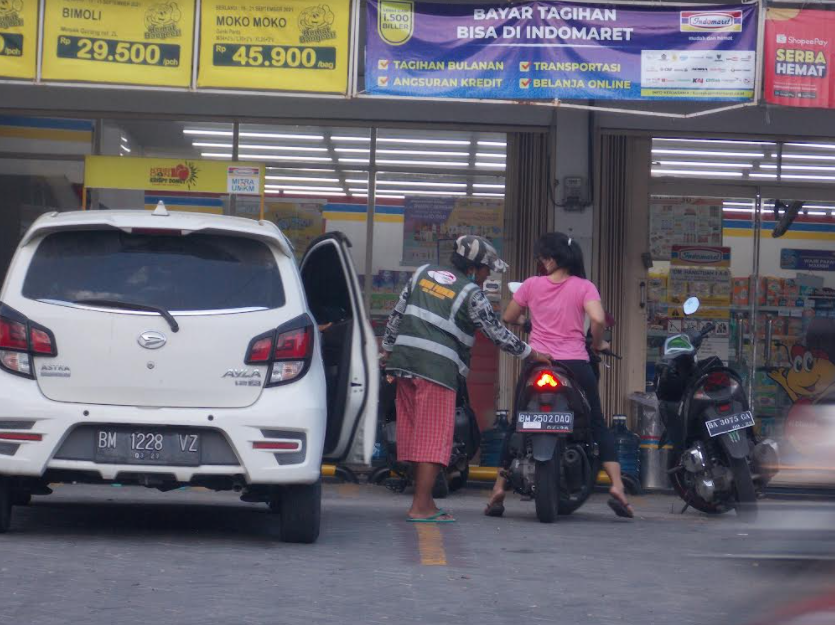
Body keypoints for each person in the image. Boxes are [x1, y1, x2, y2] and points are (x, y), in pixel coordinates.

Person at [382, 235, 551, 523]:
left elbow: (397, 315)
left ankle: (425, 500)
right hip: (436, 371)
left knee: (414, 435)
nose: (487, 277)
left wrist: (387, 350)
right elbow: (496, 332)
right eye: (486, 270)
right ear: (473, 268)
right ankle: (421, 507)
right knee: (432, 439)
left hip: (404, 364)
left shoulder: (422, 273)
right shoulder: (471, 293)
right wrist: (531, 353)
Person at [484, 231, 634, 519]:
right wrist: (597, 343)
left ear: (552, 259)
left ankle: (498, 489)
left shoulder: (531, 285)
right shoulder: (584, 287)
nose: (541, 262)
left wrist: (528, 323)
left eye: (543, 257)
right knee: (596, 423)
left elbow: (508, 317)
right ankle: (617, 486)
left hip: (538, 362)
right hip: (575, 364)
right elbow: (598, 319)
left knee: (517, 424)